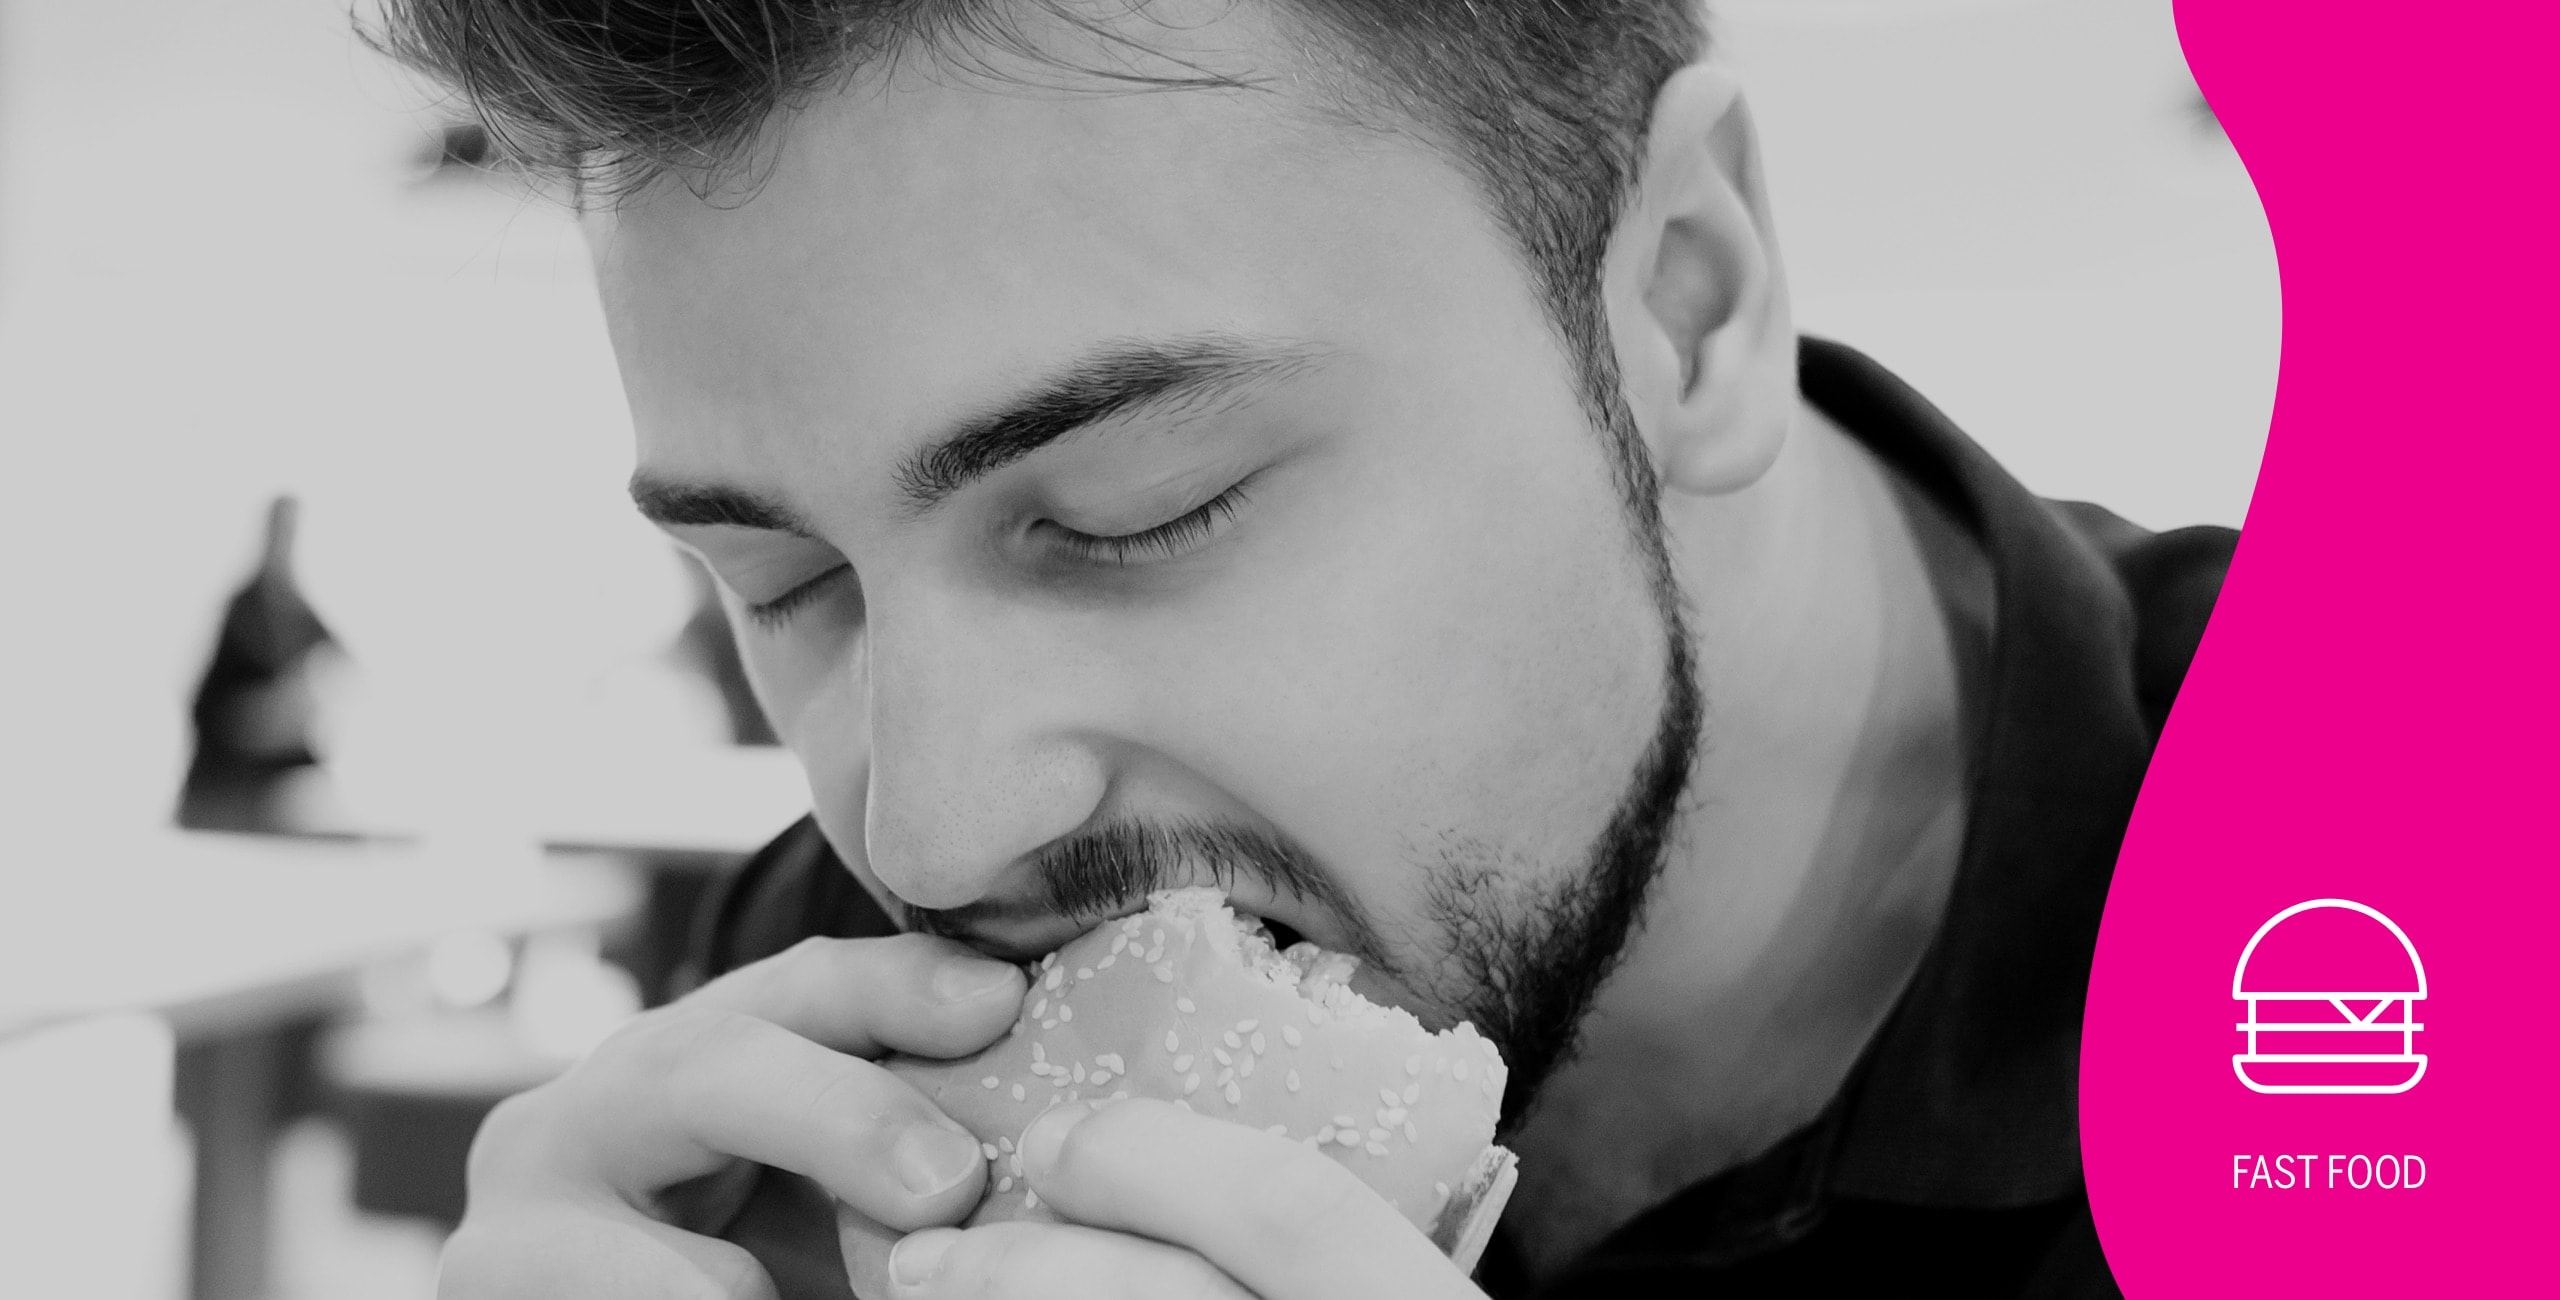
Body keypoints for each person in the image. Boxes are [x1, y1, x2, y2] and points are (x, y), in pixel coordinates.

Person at [376, 1, 2235, 1296]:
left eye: (1134, 512)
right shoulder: (815, 1050)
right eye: (781, 581)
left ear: (1686, 301)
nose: (930, 839)